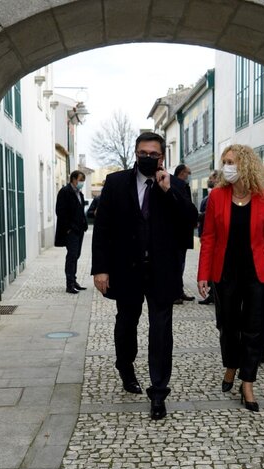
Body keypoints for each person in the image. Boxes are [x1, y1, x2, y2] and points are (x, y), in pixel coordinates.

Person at [91, 132, 197, 420]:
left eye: (153, 154)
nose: (148, 158)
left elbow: (190, 220)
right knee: (127, 323)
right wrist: (100, 268)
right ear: (135, 153)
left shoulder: (175, 185)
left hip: (162, 271)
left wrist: (168, 191)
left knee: (161, 330)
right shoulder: (116, 183)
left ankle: (159, 391)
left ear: (162, 157)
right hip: (126, 269)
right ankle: (125, 367)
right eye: (143, 153)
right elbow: (103, 228)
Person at [197, 144, 264, 412]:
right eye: (224, 162)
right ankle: (231, 364)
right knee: (227, 325)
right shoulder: (217, 196)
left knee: (254, 328)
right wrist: (203, 275)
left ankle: (248, 382)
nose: (227, 167)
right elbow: (209, 238)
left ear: (245, 164)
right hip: (225, 272)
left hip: (256, 273)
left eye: (231, 162)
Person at [54, 170, 88, 294]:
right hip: (71, 231)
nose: (82, 183)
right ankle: (70, 284)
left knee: (76, 255)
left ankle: (74, 280)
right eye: (80, 180)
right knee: (72, 256)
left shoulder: (80, 194)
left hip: (79, 230)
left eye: (83, 180)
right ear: (73, 179)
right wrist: (68, 228)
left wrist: (84, 224)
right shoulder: (65, 192)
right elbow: (60, 211)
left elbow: (80, 211)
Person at [173, 164, 195, 304]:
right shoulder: (175, 186)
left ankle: (179, 291)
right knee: (176, 264)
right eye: (188, 173)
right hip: (177, 233)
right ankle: (175, 293)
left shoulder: (182, 186)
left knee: (181, 263)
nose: (189, 176)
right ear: (182, 173)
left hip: (184, 233)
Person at [198, 170, 219, 306]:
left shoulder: (216, 196)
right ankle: (212, 294)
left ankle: (213, 294)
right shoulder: (210, 196)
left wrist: (201, 216)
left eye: (211, 178)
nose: (209, 180)